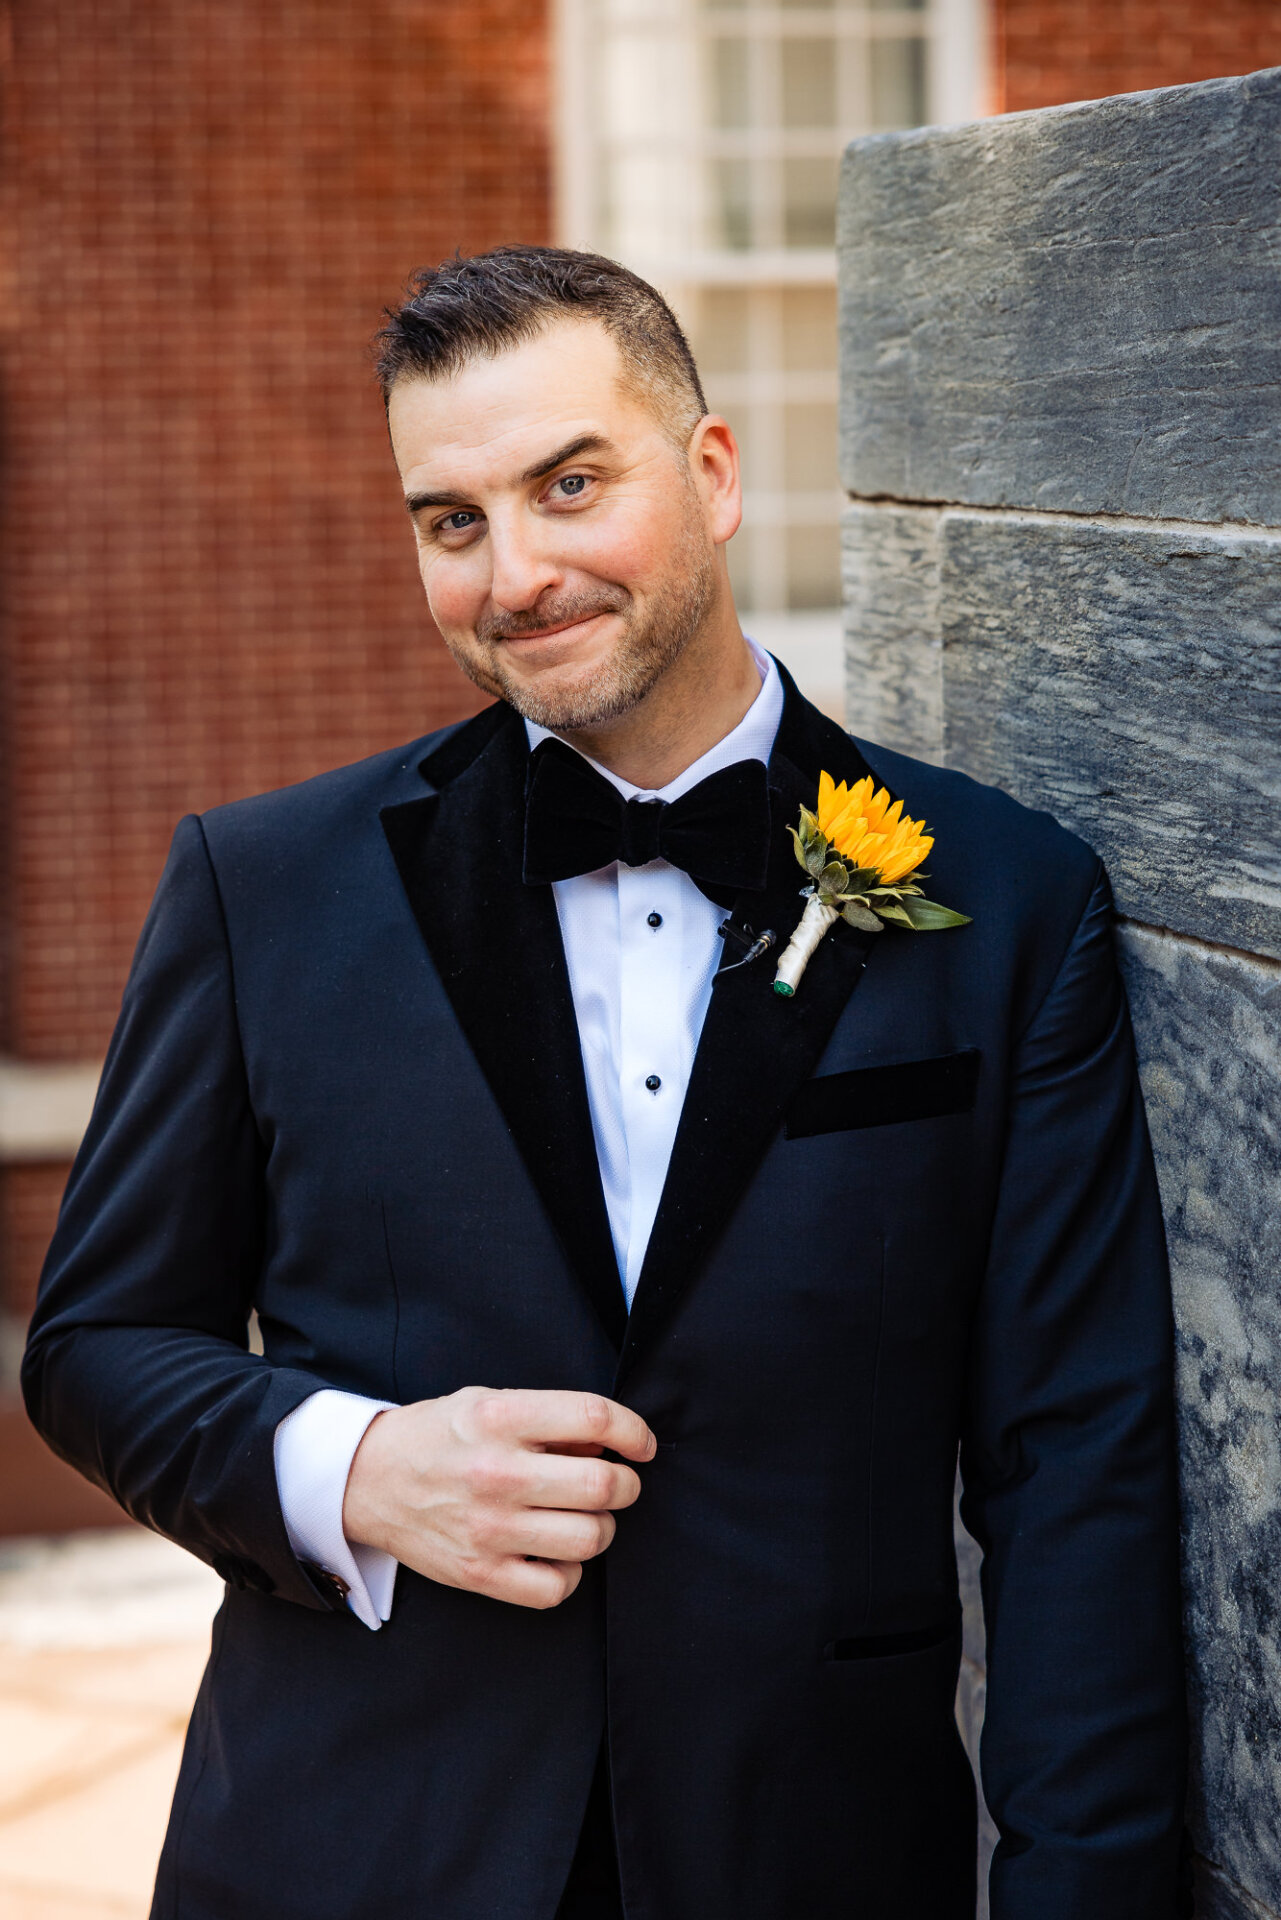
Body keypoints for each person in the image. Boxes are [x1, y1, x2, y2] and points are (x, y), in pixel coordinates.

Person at [23, 246, 1187, 1919]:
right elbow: (96, 1349)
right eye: (452, 520)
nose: (517, 573)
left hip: (810, 1854)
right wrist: (350, 1466)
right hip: (351, 1842)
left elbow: (1073, 1462)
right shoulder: (259, 886)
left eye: (571, 485)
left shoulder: (1008, 902)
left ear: (710, 476)